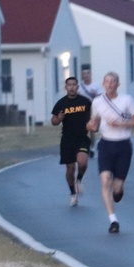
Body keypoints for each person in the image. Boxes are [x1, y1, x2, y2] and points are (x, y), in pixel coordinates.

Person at [86, 71, 134, 234]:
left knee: (117, 188)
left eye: (113, 82)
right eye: (107, 82)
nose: (110, 85)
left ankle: (118, 191)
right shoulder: (97, 102)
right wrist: (90, 126)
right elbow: (95, 126)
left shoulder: (127, 100)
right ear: (103, 84)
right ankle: (113, 220)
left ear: (118, 84)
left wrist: (121, 123)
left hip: (123, 146)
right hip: (106, 145)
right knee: (105, 181)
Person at [50, 76, 92, 206]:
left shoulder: (85, 102)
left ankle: (79, 180)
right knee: (70, 169)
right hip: (67, 139)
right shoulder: (61, 103)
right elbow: (54, 122)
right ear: (66, 87)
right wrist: (59, 118)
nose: (72, 87)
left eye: (74, 85)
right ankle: (73, 193)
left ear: (77, 87)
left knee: (82, 162)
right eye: (69, 85)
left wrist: (93, 124)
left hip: (82, 138)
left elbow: (93, 116)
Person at [77, 64, 103, 155]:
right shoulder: (79, 87)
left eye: (88, 73)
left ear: (90, 74)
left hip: (93, 110)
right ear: (82, 75)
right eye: (84, 73)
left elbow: (100, 99)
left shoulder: (96, 86)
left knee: (91, 129)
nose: (86, 75)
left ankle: (92, 147)